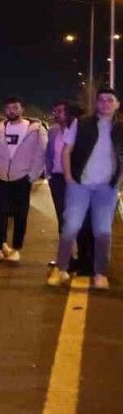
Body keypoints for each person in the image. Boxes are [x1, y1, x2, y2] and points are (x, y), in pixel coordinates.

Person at [50, 88, 123, 290]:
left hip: (106, 188)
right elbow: (67, 151)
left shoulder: (121, 129)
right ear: (96, 104)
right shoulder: (81, 124)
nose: (106, 103)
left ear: (117, 104)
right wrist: (68, 177)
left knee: (103, 231)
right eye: (102, 100)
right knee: (70, 227)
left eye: (110, 100)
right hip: (80, 185)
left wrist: (118, 183)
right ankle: (61, 269)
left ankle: (100, 273)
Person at [0, 96, 47, 263]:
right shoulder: (0, 128)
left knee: (20, 215)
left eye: (15, 108)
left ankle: (16, 249)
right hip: (1, 176)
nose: (12, 111)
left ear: (22, 109)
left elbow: (41, 154)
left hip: (22, 178)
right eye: (9, 108)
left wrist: (31, 175)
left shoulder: (35, 129)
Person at [47, 101, 93, 272]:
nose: (57, 114)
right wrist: (49, 175)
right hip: (57, 180)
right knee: (63, 219)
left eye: (61, 111)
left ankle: (85, 260)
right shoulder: (53, 131)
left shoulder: (82, 133)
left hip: (76, 181)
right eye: (55, 111)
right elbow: (49, 154)